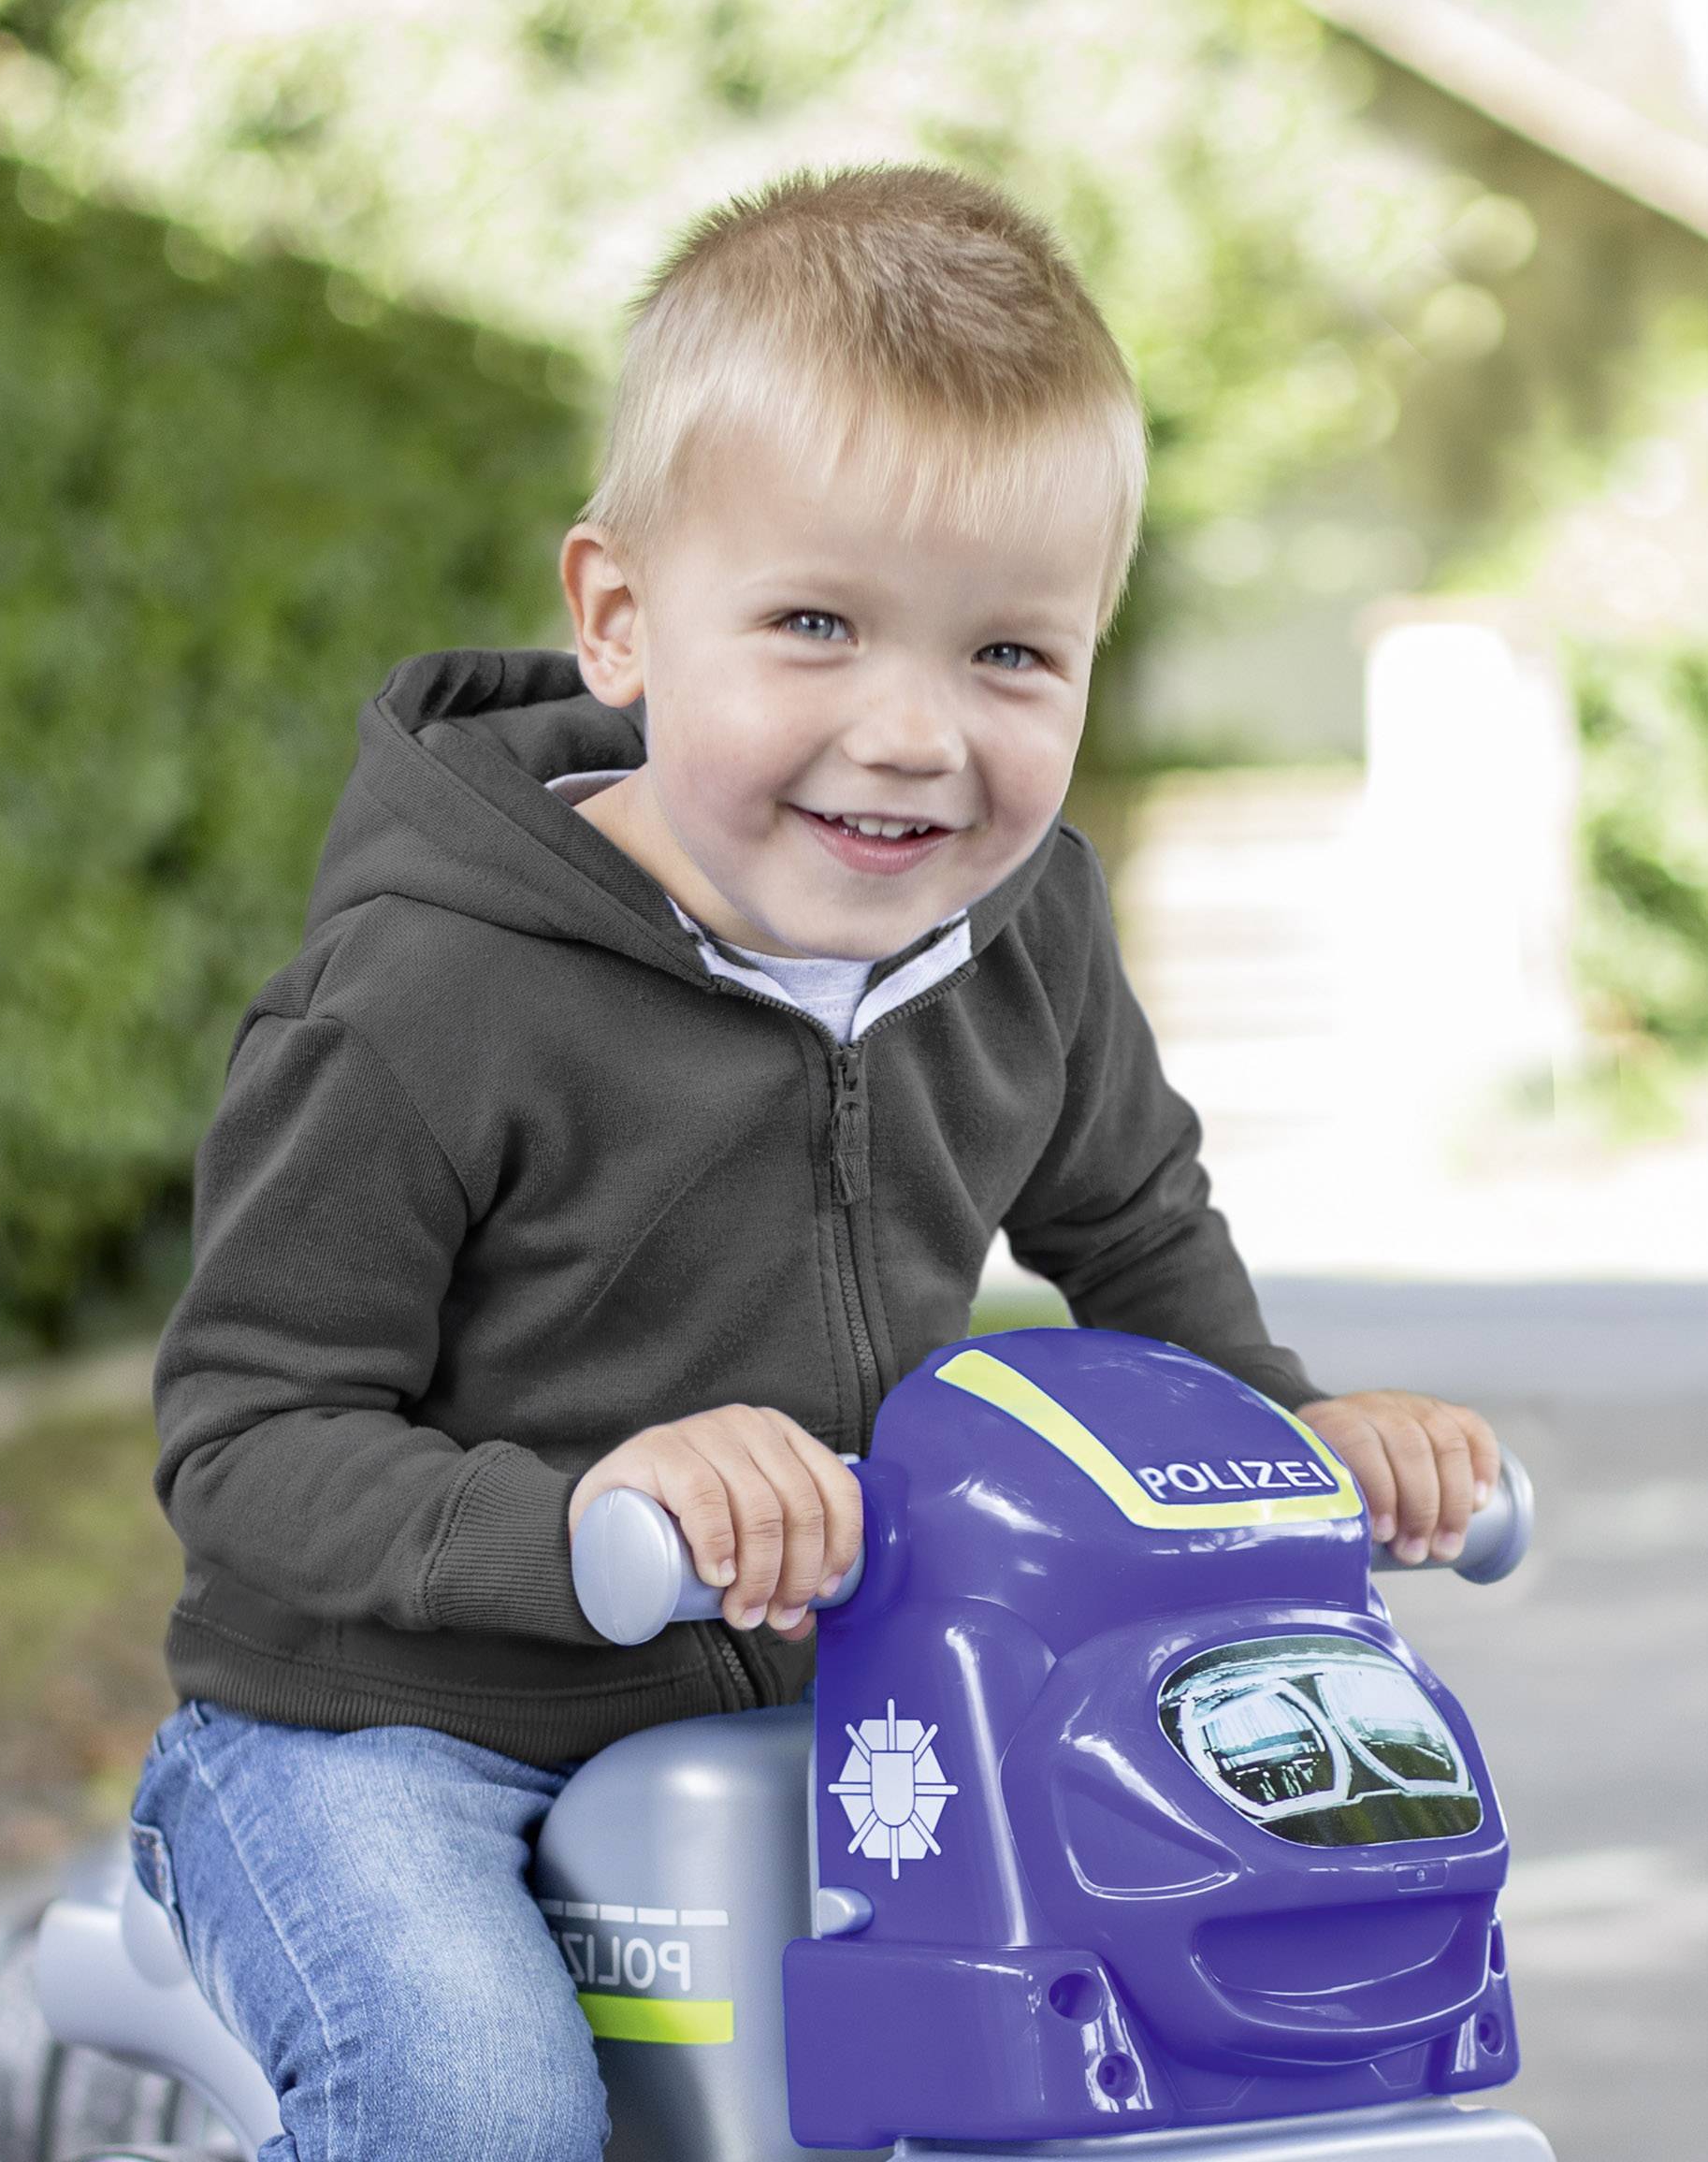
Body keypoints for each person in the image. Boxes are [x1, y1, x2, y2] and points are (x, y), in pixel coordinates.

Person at [125, 161, 1500, 2162]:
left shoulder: (1025, 938)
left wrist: (1296, 1440)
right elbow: (242, 1444)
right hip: (386, 1732)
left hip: (832, 1704)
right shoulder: (423, 999)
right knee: (473, 2099)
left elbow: (1137, 1234)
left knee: (1155, 1996)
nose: (915, 735)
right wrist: (580, 1510)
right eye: (817, 626)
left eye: (1011, 657)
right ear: (620, 619)